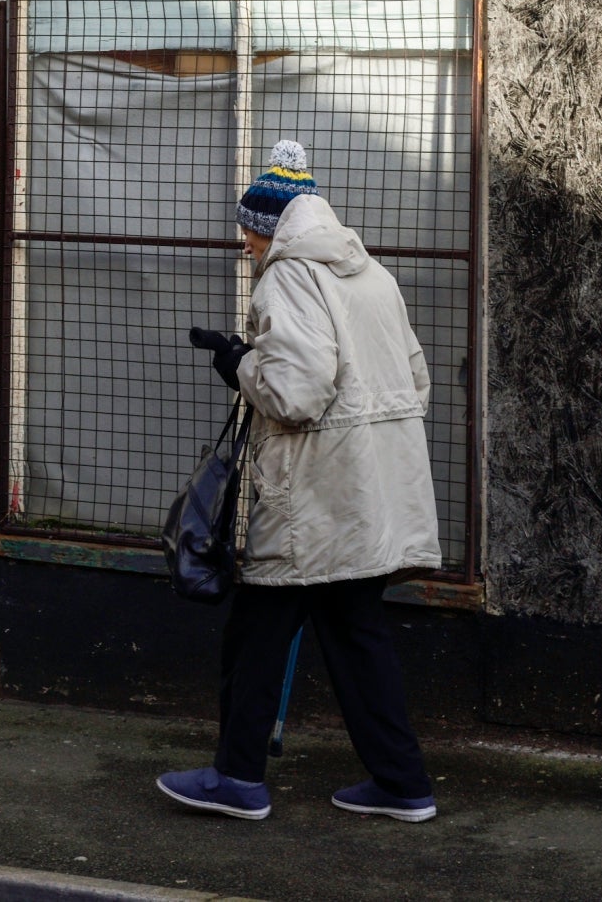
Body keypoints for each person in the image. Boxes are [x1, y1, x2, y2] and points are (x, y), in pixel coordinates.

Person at [156, 140, 442, 824]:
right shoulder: (371, 274)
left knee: (255, 634)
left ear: (270, 227)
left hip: (310, 500)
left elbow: (296, 394)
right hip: (369, 494)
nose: (245, 245)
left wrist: (239, 365)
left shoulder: (288, 277)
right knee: (356, 636)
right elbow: (417, 380)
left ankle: (237, 781)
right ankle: (403, 784)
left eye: (248, 233)